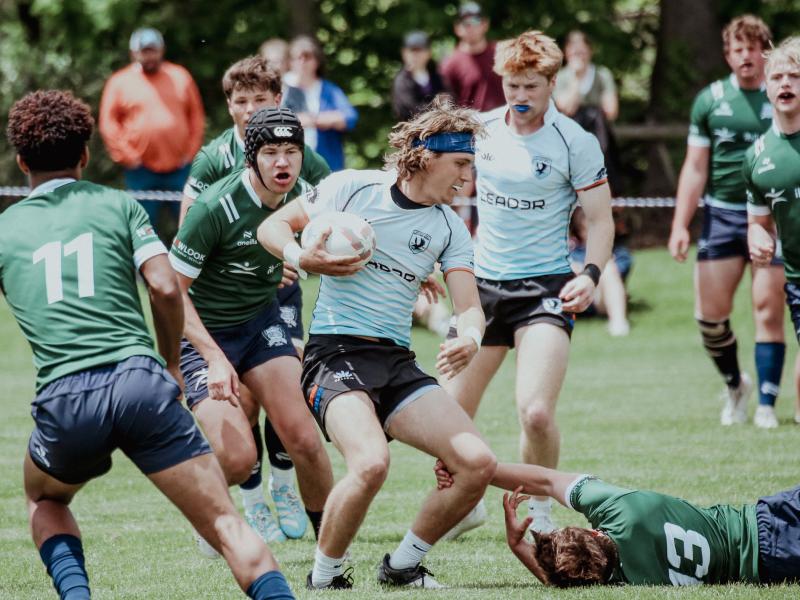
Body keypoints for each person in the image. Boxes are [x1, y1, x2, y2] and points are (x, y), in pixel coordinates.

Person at [1, 90, 294, 600]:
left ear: (21, 161)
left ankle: (77, 595)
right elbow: (163, 286)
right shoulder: (120, 205)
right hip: (142, 384)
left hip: (67, 397)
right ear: (86, 155)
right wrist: (171, 366)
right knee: (226, 523)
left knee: (45, 498)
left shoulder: (5, 230)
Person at [257, 96, 497, 590]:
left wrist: (470, 336)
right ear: (426, 155)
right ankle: (324, 577)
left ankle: (403, 565)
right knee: (370, 463)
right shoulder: (353, 188)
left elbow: (470, 305)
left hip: (395, 362)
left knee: (477, 464)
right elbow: (272, 225)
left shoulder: (449, 227)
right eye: (461, 164)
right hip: (334, 356)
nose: (466, 178)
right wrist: (304, 259)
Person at [442, 30, 614, 539]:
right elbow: (436, 184)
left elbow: (601, 222)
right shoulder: (481, 130)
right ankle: (466, 500)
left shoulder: (574, 142)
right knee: (443, 415)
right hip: (482, 291)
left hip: (545, 290)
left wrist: (591, 274)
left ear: (552, 83)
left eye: (530, 86)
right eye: (512, 85)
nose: (519, 96)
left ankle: (539, 513)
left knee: (536, 413)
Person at [180, 55, 331, 543]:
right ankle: (216, 508)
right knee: (239, 452)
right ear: (250, 156)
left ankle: (330, 553)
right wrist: (206, 355)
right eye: (271, 153)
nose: (282, 161)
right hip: (207, 329)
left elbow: (348, 227)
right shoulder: (213, 201)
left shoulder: (311, 183)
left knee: (306, 436)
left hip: (262, 315)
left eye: (291, 151)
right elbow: (169, 291)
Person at [668, 15, 785, 429]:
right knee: (710, 317)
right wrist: (681, 224)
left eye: (753, 48)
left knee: (767, 309)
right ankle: (737, 384)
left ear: (765, 52)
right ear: (727, 56)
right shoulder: (711, 100)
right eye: (738, 50)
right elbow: (696, 168)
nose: (746, 56)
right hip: (723, 215)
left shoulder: (785, 94)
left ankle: (768, 405)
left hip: (774, 216)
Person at [433, 461, 800, 586]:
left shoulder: (626, 579)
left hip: (773, 563)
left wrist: (518, 547)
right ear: (593, 531)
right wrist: (474, 467)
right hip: (764, 523)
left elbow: (562, 582)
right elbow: (546, 480)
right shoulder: (622, 513)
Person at [99, 27, 205, 239]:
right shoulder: (120, 82)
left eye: (153, 50)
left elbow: (196, 117)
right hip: (141, 171)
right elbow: (108, 123)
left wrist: (191, 153)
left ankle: (192, 270)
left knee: (191, 227)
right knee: (143, 230)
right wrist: (128, 157)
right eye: (144, 51)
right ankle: (145, 272)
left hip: (180, 168)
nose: (149, 56)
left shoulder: (180, 76)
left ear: (161, 50)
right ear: (133, 53)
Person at [745, 35, 800, 426]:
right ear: (766, 86)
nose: (786, 84)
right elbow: (758, 222)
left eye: (795, 76)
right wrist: (757, 236)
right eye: (778, 76)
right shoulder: (757, 157)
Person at [554, 30, 622, 193]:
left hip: (600, 138)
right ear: (566, 52)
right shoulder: (561, 76)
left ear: (590, 51)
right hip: (570, 137)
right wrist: (576, 79)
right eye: (574, 51)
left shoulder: (602, 75)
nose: (579, 55)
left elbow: (611, 111)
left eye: (582, 51)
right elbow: (566, 108)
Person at [284, 35, 358, 171]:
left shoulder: (329, 90)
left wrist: (312, 120)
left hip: (326, 164)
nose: (302, 62)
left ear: (317, 61)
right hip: (289, 166)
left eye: (307, 57)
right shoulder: (283, 90)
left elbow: (349, 118)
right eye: (297, 58)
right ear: (290, 62)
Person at [569, 208, 631, 336]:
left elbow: (615, 276)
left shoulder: (619, 253)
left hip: (596, 299)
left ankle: (618, 322)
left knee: (607, 266)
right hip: (569, 297)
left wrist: (583, 271)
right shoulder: (571, 251)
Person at [440, 2, 505, 112]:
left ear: (485, 24)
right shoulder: (450, 64)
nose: (470, 27)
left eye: (475, 21)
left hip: (505, 123)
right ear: (457, 28)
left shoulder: (502, 52)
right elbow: (445, 106)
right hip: (471, 126)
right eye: (465, 23)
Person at [391, 31, 448, 122]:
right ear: (404, 53)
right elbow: (412, 110)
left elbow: (449, 99)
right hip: (412, 132)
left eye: (420, 50)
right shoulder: (402, 81)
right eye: (412, 51)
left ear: (429, 53)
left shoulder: (437, 77)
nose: (415, 55)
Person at [259, 38, 306, 112]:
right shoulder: (256, 92)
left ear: (287, 63)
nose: (277, 67)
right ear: (263, 63)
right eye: (272, 62)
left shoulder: (297, 93)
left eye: (280, 61)